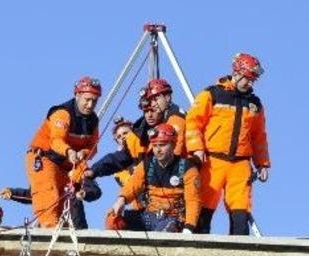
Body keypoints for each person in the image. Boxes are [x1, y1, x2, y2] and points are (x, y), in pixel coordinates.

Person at [185, 53, 270, 235]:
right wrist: (196, 149)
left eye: (252, 80)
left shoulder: (255, 104)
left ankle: (239, 248)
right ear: (237, 73)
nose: (250, 84)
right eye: (247, 79)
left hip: (240, 164)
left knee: (240, 210)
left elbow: (258, 136)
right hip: (212, 162)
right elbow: (193, 123)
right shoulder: (212, 94)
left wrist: (262, 163)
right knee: (204, 209)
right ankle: (198, 246)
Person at [25, 76, 102, 228]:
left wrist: (84, 153)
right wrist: (69, 152)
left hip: (67, 165)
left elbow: (93, 147)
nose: (90, 105)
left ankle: (66, 228)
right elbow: (56, 140)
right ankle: (49, 228)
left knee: (68, 196)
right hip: (45, 158)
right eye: (87, 100)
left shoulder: (93, 121)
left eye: (94, 101)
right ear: (77, 95)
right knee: (49, 193)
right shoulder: (62, 114)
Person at [106, 123, 200, 233]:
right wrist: (121, 199)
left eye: (162, 145)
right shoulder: (146, 165)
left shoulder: (187, 169)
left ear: (173, 144)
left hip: (173, 219)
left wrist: (189, 227)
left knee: (166, 229)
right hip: (149, 216)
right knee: (112, 220)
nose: (158, 150)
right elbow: (132, 185)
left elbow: (193, 200)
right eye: (155, 145)